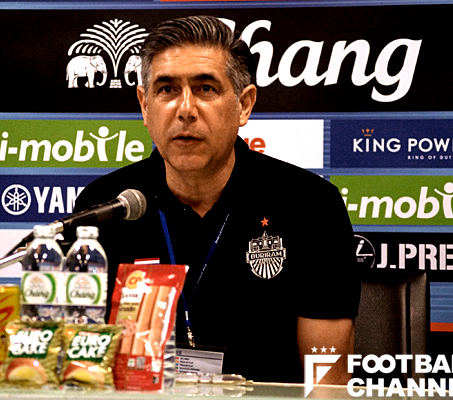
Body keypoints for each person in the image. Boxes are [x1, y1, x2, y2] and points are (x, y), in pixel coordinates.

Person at [72, 15, 360, 384]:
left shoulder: (310, 206)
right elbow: (79, 367)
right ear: (145, 105)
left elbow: (327, 381)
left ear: (244, 105)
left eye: (205, 88)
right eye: (166, 89)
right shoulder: (106, 206)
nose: (185, 109)